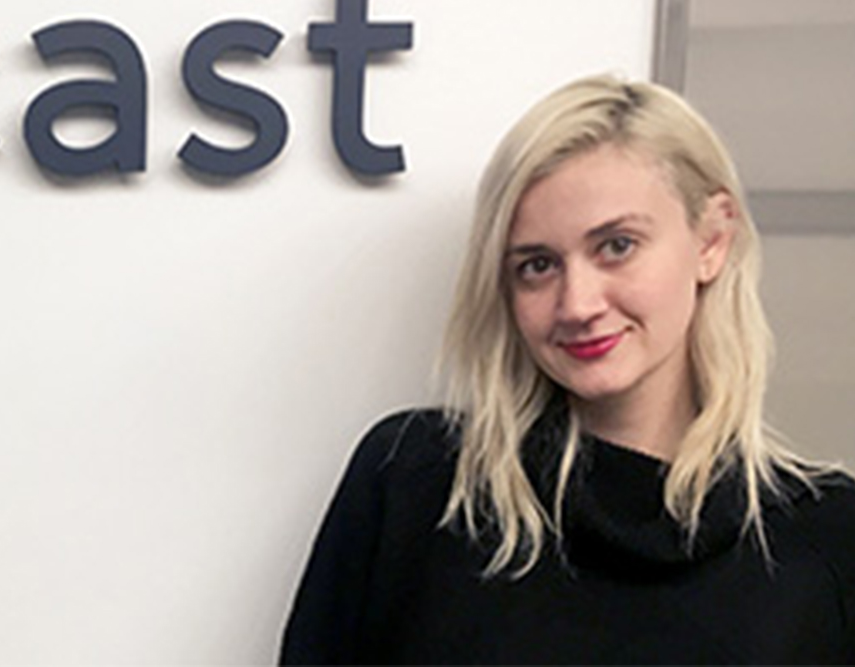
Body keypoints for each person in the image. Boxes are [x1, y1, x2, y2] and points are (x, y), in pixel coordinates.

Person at [278, 74, 855, 664]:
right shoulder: (418, 484)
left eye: (617, 246)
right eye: (537, 265)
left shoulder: (829, 538)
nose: (577, 304)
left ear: (711, 240)